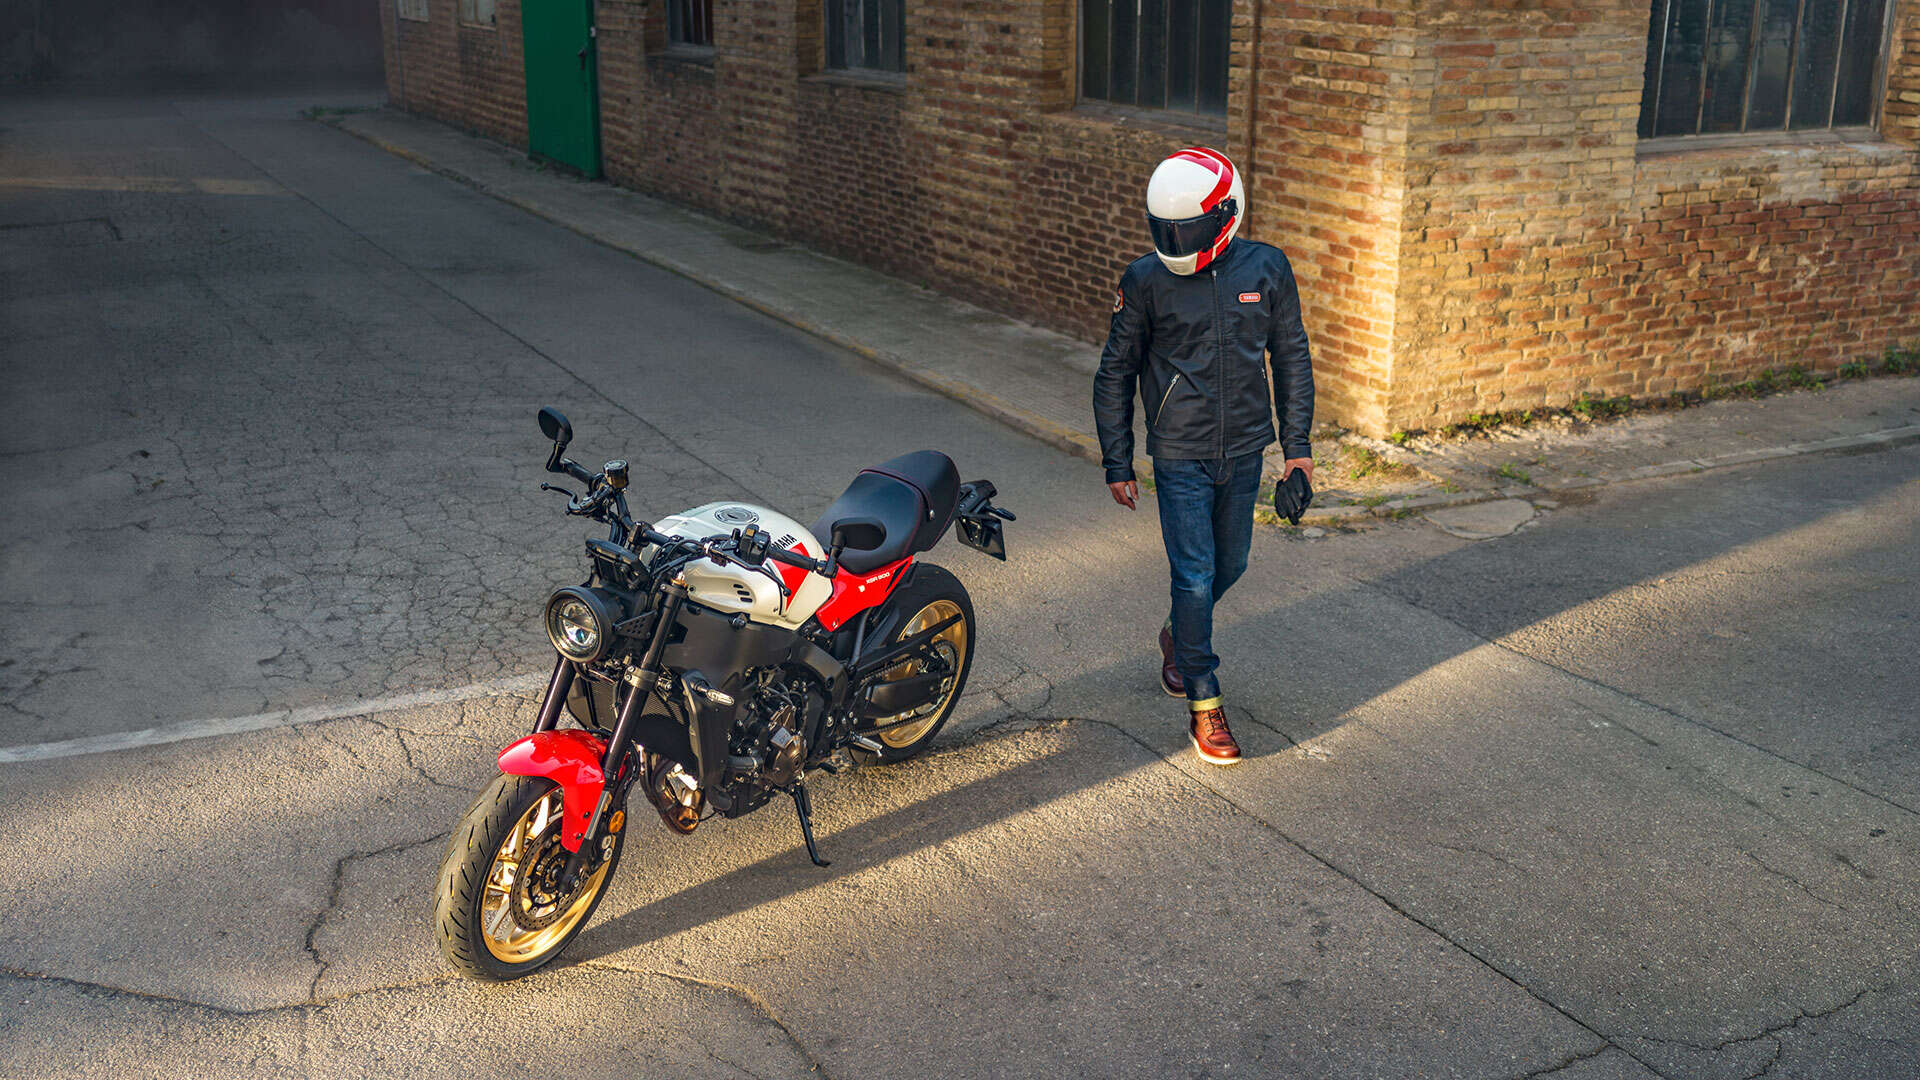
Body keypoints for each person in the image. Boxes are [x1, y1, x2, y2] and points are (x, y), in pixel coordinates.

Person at [1092, 146, 1314, 766]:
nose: (1176, 241)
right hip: (1179, 453)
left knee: (1230, 565)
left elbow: (1291, 356)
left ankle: (1178, 634)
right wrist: (1117, 459)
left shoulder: (1267, 268)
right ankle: (1204, 701)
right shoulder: (1144, 281)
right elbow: (1115, 373)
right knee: (1193, 574)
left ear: (1226, 213)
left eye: (1186, 229)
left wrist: (1298, 451)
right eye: (1166, 230)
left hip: (1245, 448)